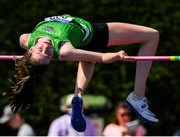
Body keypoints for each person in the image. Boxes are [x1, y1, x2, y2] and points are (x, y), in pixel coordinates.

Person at [9, 14, 159, 132]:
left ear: (29, 49)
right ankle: (138, 96)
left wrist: (29, 62)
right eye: (48, 55)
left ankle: (77, 96)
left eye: (40, 50)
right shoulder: (64, 50)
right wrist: (116, 55)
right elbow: (101, 57)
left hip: (78, 38)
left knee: (87, 59)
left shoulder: (25, 39)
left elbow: (31, 55)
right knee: (152, 35)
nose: (46, 48)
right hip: (94, 34)